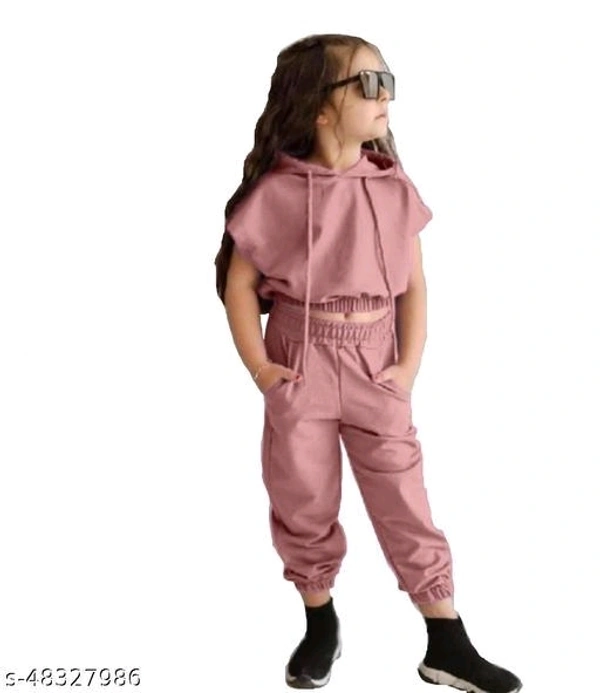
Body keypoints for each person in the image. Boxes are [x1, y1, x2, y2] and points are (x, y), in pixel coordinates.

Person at [214, 33, 523, 693]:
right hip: (300, 356)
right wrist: (262, 370)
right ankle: (320, 619)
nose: (387, 97)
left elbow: (414, 284)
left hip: (375, 360)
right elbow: (240, 284)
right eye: (369, 85)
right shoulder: (276, 191)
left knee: (404, 496)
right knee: (301, 491)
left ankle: (447, 640)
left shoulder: (391, 187)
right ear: (319, 106)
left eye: (388, 81)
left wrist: (407, 366)